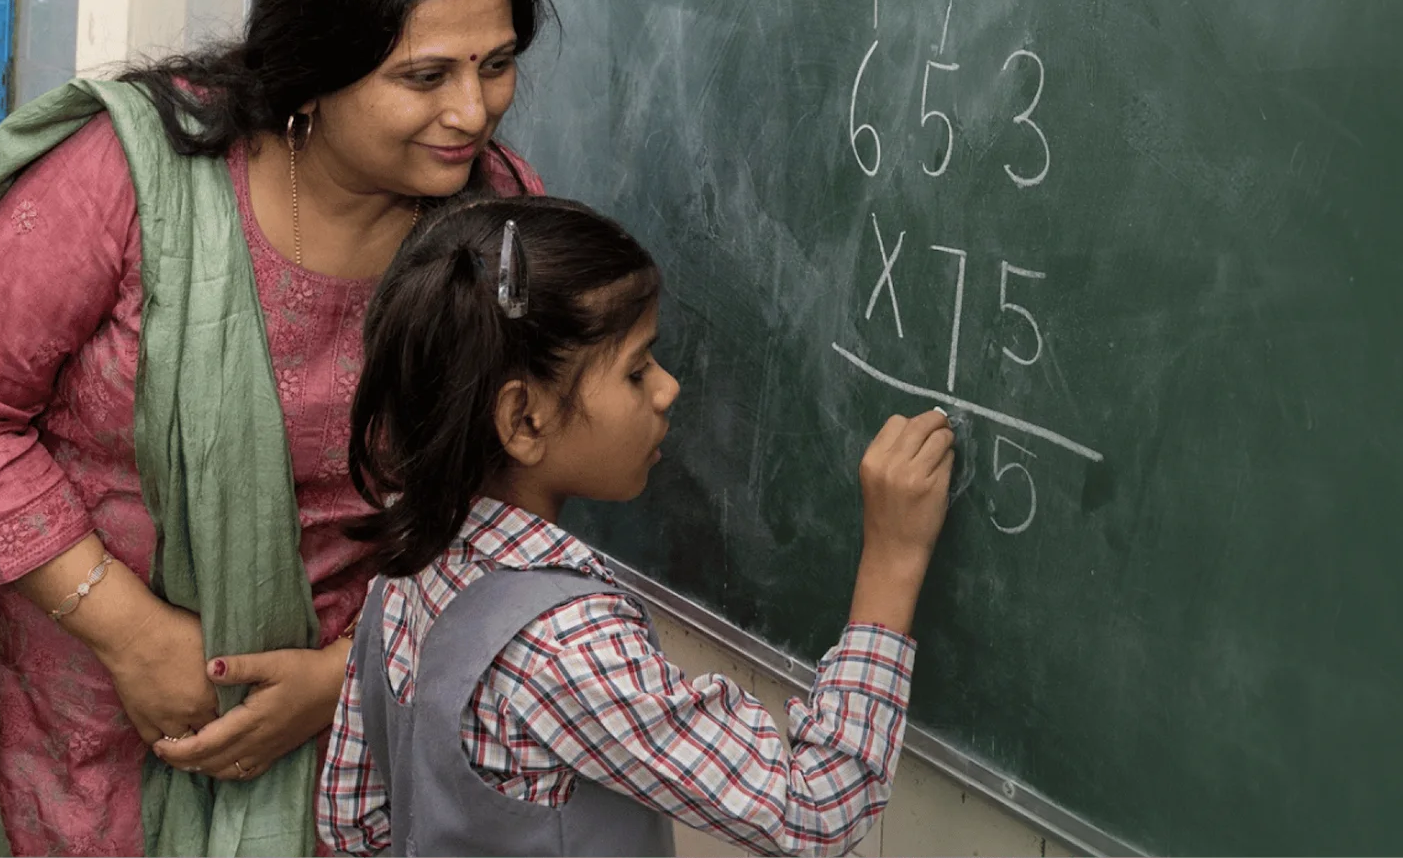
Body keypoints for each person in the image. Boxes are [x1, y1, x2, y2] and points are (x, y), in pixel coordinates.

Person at [0, 0, 550, 857]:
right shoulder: (131, 180)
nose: (472, 111)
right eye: (426, 76)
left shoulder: (496, 220)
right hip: (91, 725)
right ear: (314, 74)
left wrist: (342, 674)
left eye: (496, 65)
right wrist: (128, 631)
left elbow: (514, 484)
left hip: (346, 731)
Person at [317, 197, 953, 858]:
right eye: (637, 368)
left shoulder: (409, 568)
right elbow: (814, 810)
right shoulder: (567, 643)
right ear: (524, 420)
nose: (668, 388)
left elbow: (354, 820)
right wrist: (891, 560)